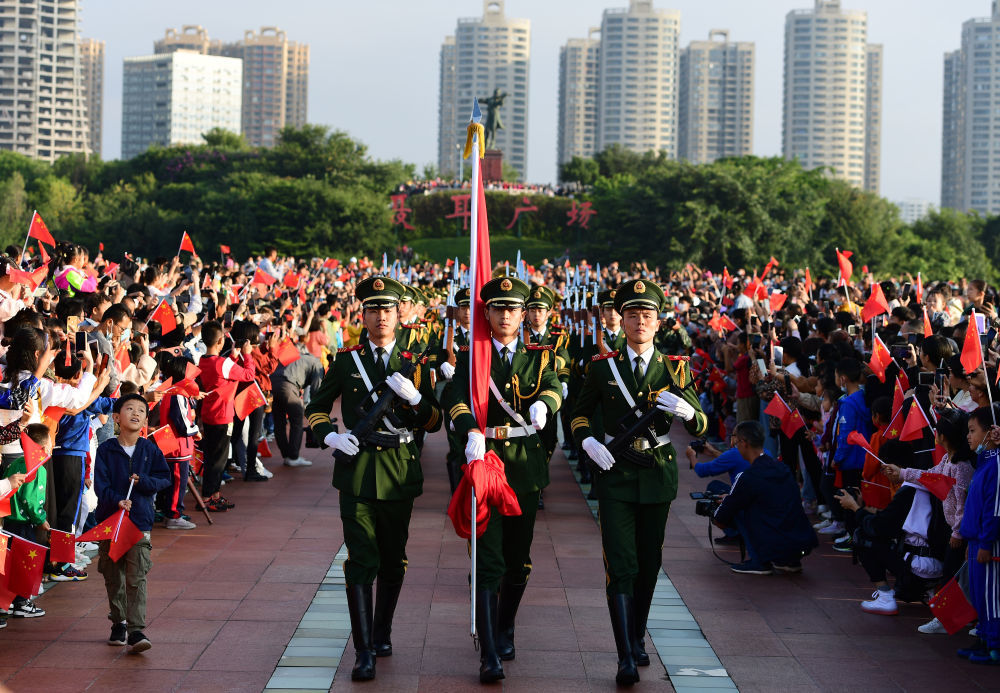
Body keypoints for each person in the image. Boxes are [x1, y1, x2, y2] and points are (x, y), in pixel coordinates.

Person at [305, 276, 441, 682]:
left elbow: (434, 421)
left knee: (393, 558)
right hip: (358, 470)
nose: (381, 316)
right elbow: (316, 407)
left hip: (399, 468)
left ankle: (382, 633)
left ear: (399, 314)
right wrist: (329, 435)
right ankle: (363, 650)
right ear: (362, 316)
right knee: (362, 558)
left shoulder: (415, 361)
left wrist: (416, 399)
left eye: (387, 309)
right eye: (373, 309)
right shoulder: (348, 360)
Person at [572, 278, 708, 685]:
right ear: (623, 320)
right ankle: (624, 655)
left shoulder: (675, 368)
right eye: (632, 315)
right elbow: (579, 414)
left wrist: (688, 412)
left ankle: (637, 635)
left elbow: (701, 425)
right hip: (615, 474)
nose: (639, 322)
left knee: (649, 564)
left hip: (656, 474)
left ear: (658, 322)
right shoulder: (603, 367)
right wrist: (588, 440)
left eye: (647, 315)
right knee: (621, 563)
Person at [444, 275, 563, 683]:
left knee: (518, 559)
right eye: (498, 308)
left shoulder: (539, 356)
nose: (506, 315)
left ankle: (505, 626)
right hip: (486, 462)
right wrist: (469, 430)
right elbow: (455, 397)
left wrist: (546, 404)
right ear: (487, 313)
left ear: (524, 313)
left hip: (524, 467)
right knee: (486, 558)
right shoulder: (473, 356)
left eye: (513, 308)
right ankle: (489, 652)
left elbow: (553, 386)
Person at [94, 393, 171, 654]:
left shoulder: (150, 449)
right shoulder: (106, 450)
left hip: (139, 522)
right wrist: (116, 500)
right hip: (111, 522)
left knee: (137, 576)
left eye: (141, 410)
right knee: (113, 575)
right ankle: (119, 622)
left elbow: (164, 478)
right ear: (116, 418)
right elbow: (100, 485)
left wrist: (144, 482)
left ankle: (136, 630)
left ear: (146, 420)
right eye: (129, 409)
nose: (136, 413)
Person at [713, 421, 819, 575]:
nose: (735, 445)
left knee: (738, 509)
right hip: (802, 542)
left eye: (736, 441)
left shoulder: (748, 477)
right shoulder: (782, 468)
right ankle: (789, 561)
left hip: (774, 545)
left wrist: (729, 500)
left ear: (744, 443)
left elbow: (720, 519)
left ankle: (759, 561)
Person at [196, 321, 257, 511]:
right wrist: (247, 354)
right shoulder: (221, 363)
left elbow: (222, 373)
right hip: (222, 415)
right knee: (218, 460)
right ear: (220, 341)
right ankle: (207, 498)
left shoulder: (204, 360)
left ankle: (214, 495)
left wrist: (233, 356)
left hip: (210, 413)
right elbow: (249, 375)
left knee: (214, 457)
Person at [958, 405, 1000, 663]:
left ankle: (995, 646)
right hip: (975, 541)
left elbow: (994, 509)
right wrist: (971, 540)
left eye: (973, 431)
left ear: (990, 432)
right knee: (979, 594)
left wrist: (985, 542)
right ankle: (984, 639)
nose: (968, 436)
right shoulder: (985, 461)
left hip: (989, 545)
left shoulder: (996, 465)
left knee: (991, 595)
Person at [3, 423, 52, 619]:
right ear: (44, 446)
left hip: (9, 521)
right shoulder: (38, 469)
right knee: (25, 563)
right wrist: (41, 519)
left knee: (10, 563)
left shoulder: (15, 463)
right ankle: (22, 602)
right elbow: (32, 500)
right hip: (24, 524)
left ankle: (7, 602)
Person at [270, 341, 324, 467]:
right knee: (297, 420)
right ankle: (293, 457)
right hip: (288, 385)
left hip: (273, 382)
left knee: (279, 423)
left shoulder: (301, 357)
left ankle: (286, 455)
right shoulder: (318, 364)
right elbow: (316, 389)